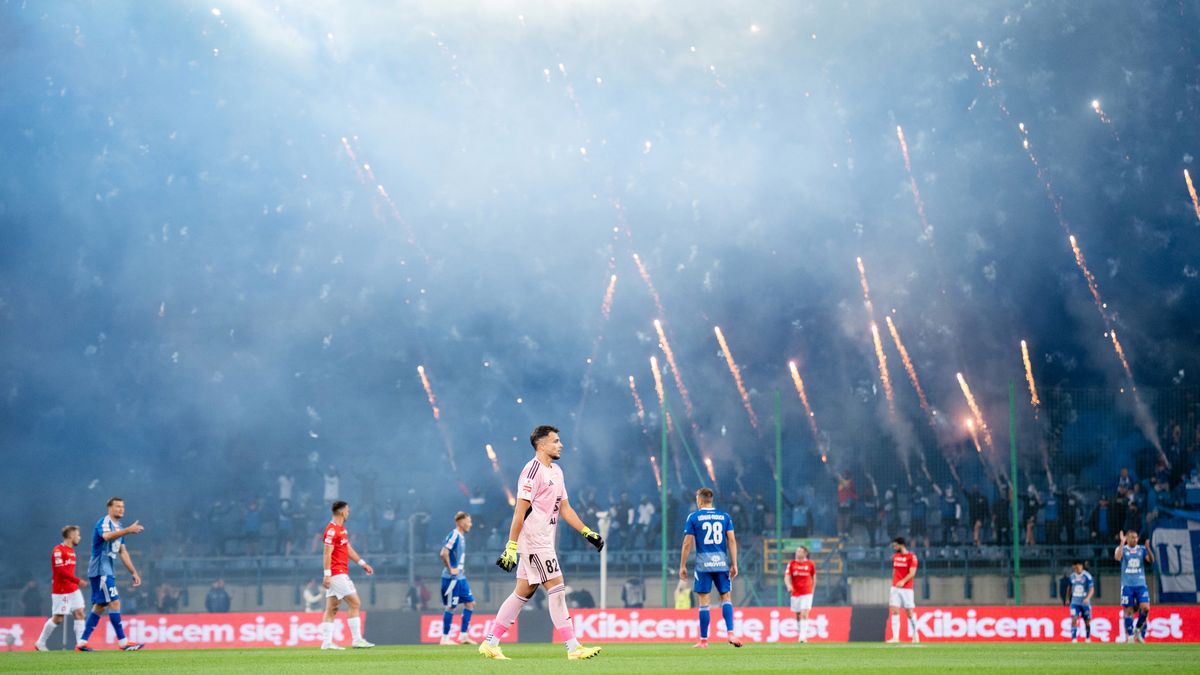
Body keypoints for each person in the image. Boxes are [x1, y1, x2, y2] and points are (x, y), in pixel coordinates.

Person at [479, 425, 604, 661]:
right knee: (557, 588)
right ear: (542, 444)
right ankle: (573, 647)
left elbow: (565, 508)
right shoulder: (532, 471)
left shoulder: (556, 471)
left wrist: (587, 532)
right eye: (556, 441)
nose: (561, 445)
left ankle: (490, 642)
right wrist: (511, 545)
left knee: (523, 591)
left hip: (544, 540)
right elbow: (519, 510)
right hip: (534, 540)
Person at [75, 497, 145, 651]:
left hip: (106, 570)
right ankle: (123, 642)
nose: (121, 509)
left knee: (100, 607)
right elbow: (106, 536)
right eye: (118, 506)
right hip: (101, 570)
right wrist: (128, 530)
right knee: (115, 602)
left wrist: (134, 572)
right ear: (109, 508)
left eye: (123, 507)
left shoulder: (119, 526)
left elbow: (123, 551)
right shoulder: (104, 522)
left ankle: (82, 643)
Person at [679, 487, 743, 649]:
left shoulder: (693, 517)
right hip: (721, 563)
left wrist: (682, 565)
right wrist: (734, 563)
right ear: (711, 499)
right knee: (726, 598)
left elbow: (687, 543)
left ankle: (704, 640)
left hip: (703, 564)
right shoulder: (724, 517)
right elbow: (732, 541)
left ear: (699, 500)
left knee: (704, 601)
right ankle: (730, 633)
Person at [319, 500, 375, 650]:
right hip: (337, 573)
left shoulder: (341, 530)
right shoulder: (331, 531)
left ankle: (326, 643)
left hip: (339, 572)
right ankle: (357, 640)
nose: (349, 513)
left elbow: (347, 548)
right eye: (348, 511)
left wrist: (362, 563)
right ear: (343, 512)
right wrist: (327, 575)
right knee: (355, 603)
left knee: (332, 608)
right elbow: (326, 553)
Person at [34, 526, 88, 651]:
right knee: (58, 618)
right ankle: (40, 642)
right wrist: (78, 581)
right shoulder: (58, 550)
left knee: (80, 613)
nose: (79, 537)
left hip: (73, 589)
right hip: (62, 590)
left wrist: (75, 583)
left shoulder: (72, 551)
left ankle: (81, 645)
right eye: (78, 535)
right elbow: (60, 571)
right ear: (71, 535)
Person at [438, 512, 476, 646]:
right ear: (460, 522)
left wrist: (459, 567)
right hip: (451, 578)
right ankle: (445, 638)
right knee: (451, 607)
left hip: (460, 576)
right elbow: (444, 553)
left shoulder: (461, 537)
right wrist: (451, 569)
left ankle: (463, 636)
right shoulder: (454, 534)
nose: (470, 524)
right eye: (468, 521)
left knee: (470, 603)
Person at [1115, 530, 1153, 643]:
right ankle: (1130, 636)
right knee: (1129, 611)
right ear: (1127, 538)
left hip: (1141, 585)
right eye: (1132, 537)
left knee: (1146, 608)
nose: (1135, 539)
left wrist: (1148, 549)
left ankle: (1137, 629)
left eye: (1136, 537)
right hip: (1127, 586)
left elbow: (1151, 560)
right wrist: (1122, 543)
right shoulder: (1122, 549)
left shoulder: (1141, 549)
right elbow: (1117, 558)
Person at [886, 537, 919, 644]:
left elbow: (912, 573)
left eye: (896, 545)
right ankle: (895, 637)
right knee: (894, 611)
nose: (894, 547)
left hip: (907, 589)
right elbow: (894, 571)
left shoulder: (912, 557)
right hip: (895, 588)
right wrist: (893, 584)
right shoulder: (895, 557)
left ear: (902, 545)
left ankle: (915, 635)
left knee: (909, 613)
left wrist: (903, 581)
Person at [785, 546, 816, 644]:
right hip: (795, 592)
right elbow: (787, 577)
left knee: (804, 613)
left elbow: (814, 577)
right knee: (798, 614)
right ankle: (801, 634)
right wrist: (789, 586)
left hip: (807, 592)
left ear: (805, 553)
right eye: (797, 551)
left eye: (800, 551)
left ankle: (802, 637)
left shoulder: (810, 564)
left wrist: (812, 589)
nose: (797, 553)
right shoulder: (791, 564)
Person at [1065, 561, 1093, 643]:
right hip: (1074, 602)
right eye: (1075, 567)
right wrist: (1067, 598)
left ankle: (1088, 638)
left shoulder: (1087, 576)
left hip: (1085, 603)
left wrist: (1087, 598)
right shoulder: (1072, 576)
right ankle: (1074, 639)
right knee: (1074, 619)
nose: (1076, 569)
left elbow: (1091, 589)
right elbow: (1069, 588)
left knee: (1087, 621)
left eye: (1078, 567)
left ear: (1081, 566)